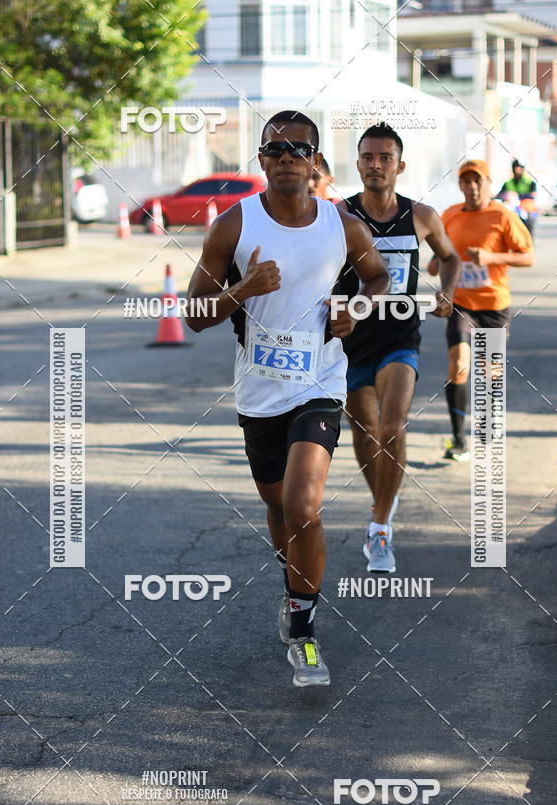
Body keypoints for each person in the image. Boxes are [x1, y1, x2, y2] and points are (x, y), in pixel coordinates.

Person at [185, 110, 390, 686]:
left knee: (303, 507)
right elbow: (193, 316)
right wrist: (242, 290)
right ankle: (294, 593)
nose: (286, 159)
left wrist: (358, 307)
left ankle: (303, 634)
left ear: (315, 161)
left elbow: (377, 279)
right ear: (260, 160)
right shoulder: (232, 225)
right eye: (274, 149)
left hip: (321, 383)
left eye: (298, 150)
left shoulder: (341, 226)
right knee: (279, 511)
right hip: (259, 394)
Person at [334, 122, 460, 573]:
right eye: (368, 157)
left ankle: (380, 526)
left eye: (385, 157)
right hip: (349, 341)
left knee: (393, 427)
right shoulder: (338, 214)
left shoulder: (421, 215)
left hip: (400, 336)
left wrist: (447, 292)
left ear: (400, 165)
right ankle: (383, 498)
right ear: (358, 163)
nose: (376, 164)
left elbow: (450, 257)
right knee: (365, 433)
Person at [428, 159, 534, 461]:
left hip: (494, 304)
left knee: (490, 373)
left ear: (488, 183)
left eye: (478, 181)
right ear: (460, 185)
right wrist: (436, 263)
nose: (472, 187)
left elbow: (528, 257)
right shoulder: (449, 215)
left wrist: (490, 257)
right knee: (458, 363)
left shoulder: (502, 216)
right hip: (461, 303)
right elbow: (438, 257)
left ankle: (489, 422)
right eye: (466, 181)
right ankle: (459, 439)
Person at [499, 159, 538, 236]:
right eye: (516, 168)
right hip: (512, 209)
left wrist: (517, 196)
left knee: (530, 222)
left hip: (527, 209)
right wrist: (506, 196)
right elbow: (500, 195)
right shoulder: (507, 183)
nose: (518, 171)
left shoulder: (530, 182)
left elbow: (533, 195)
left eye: (520, 168)